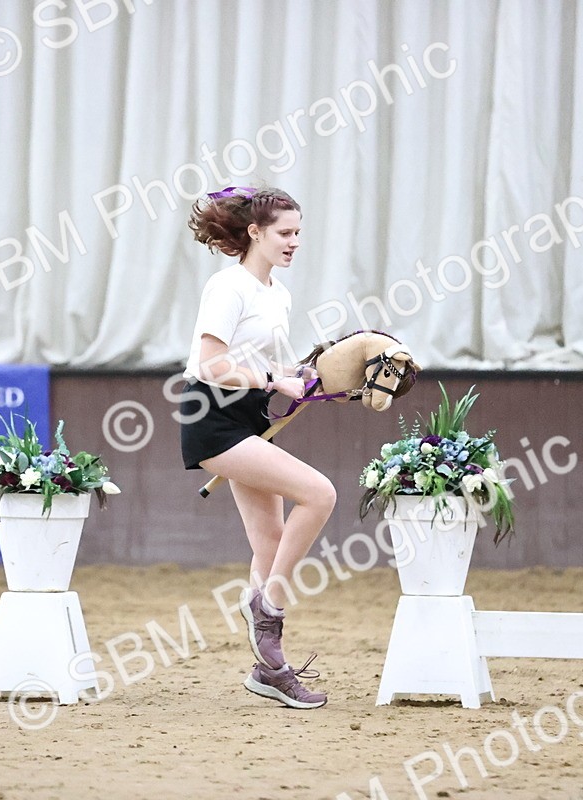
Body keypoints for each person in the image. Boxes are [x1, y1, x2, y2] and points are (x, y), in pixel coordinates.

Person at [180, 186, 335, 710]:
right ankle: (269, 607)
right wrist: (274, 378)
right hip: (212, 418)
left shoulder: (279, 294)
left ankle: (269, 670)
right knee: (320, 494)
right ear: (254, 233)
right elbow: (209, 366)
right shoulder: (228, 287)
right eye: (285, 234)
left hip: (248, 414)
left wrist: (305, 375)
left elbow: (270, 367)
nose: (295, 242)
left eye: (298, 233)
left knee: (269, 546)